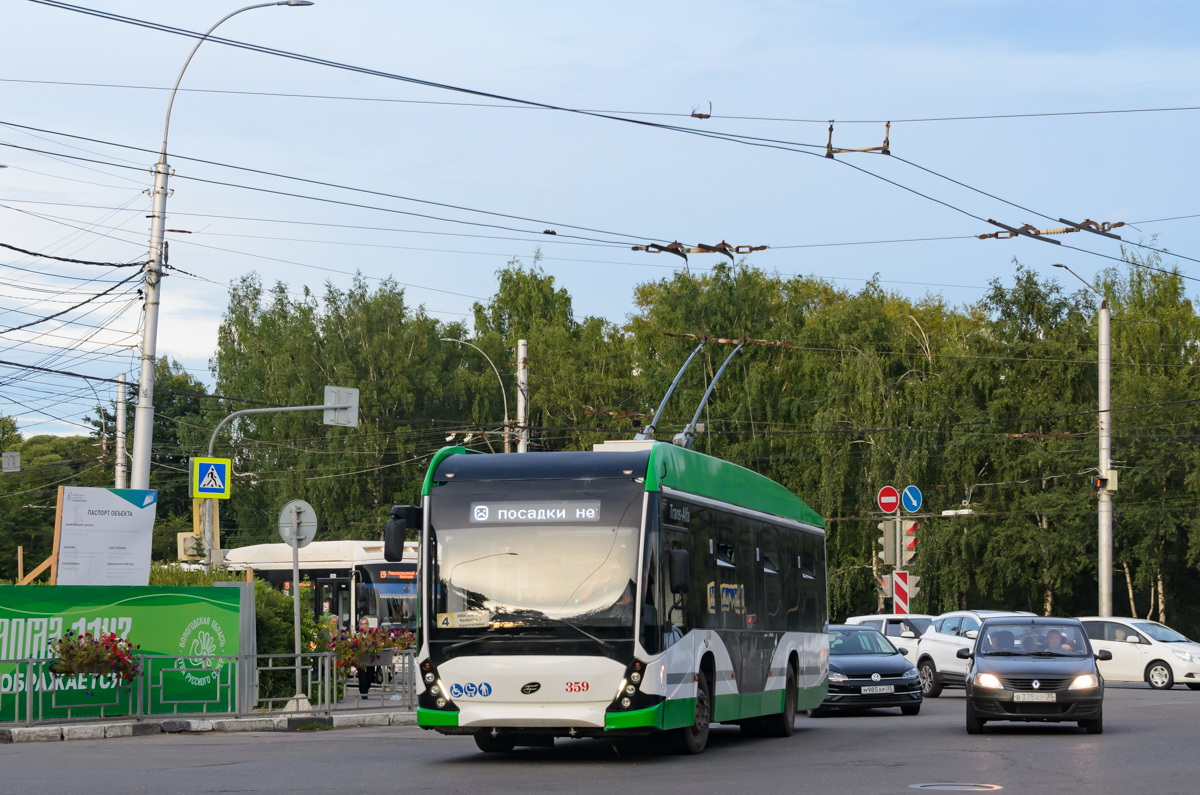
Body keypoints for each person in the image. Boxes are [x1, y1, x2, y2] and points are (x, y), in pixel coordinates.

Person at [355, 617, 378, 697]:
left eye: (365, 624)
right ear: (360, 626)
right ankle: (364, 693)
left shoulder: (372, 634)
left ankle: (365, 689)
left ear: (368, 625)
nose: (364, 626)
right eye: (362, 624)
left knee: (370, 676)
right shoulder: (358, 635)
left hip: (370, 659)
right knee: (362, 676)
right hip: (361, 659)